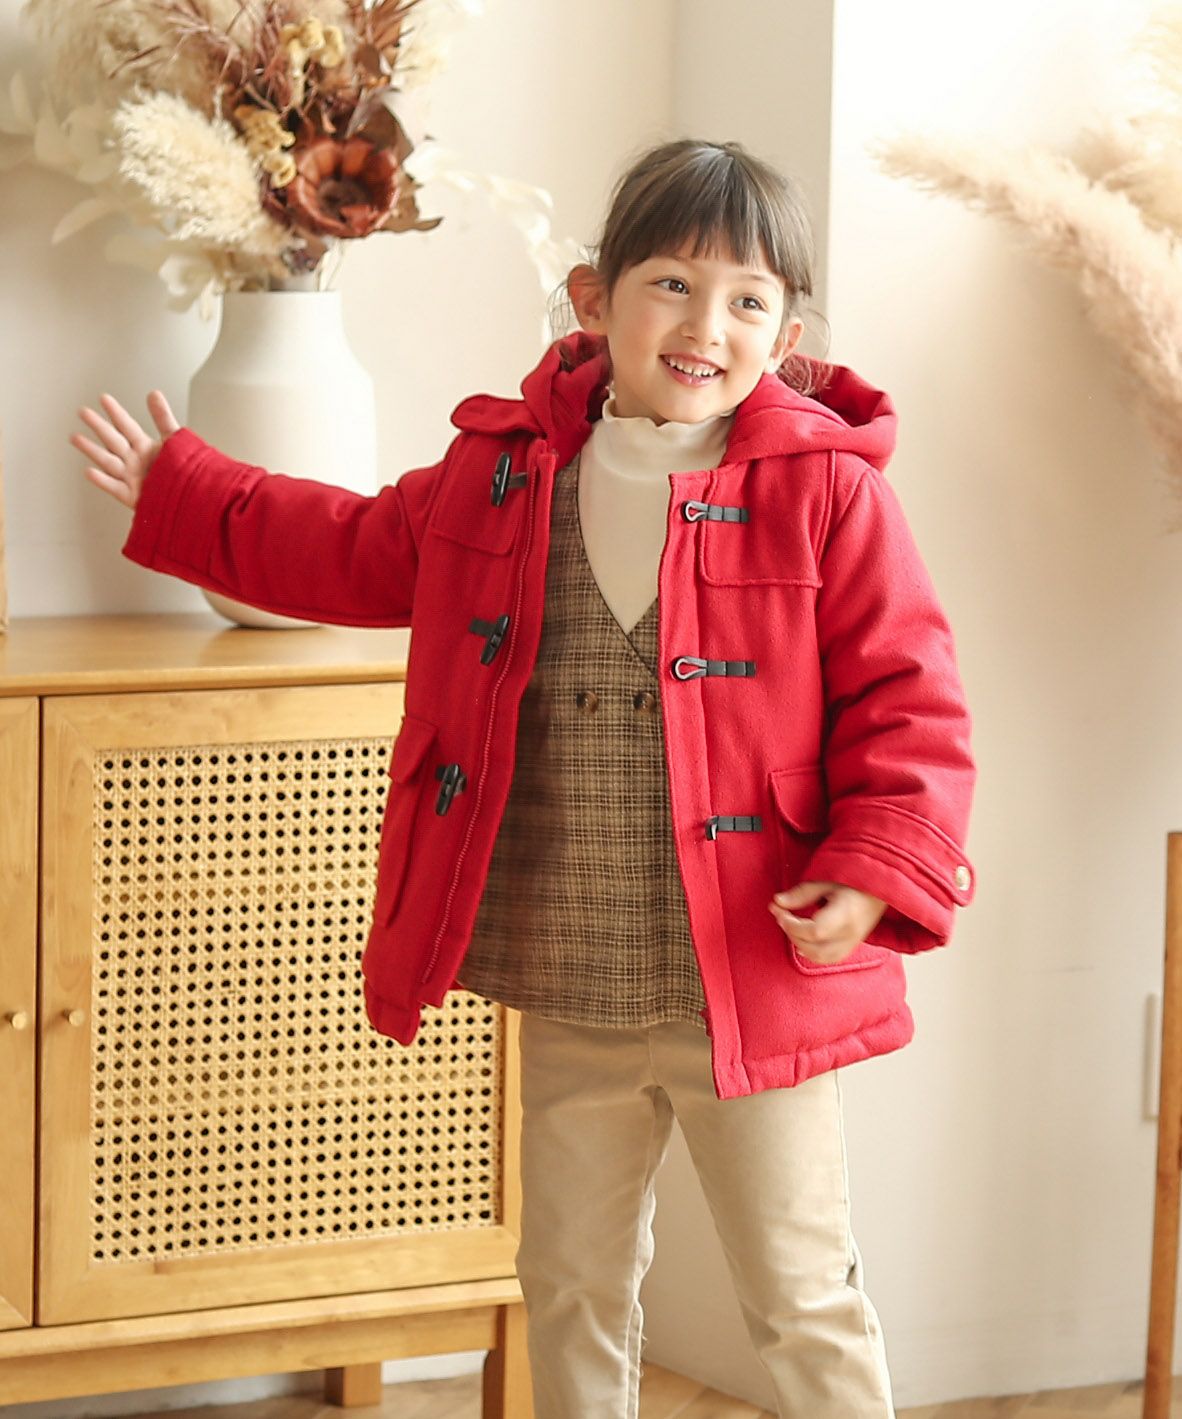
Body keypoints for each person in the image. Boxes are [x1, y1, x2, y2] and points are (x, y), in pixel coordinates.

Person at [70, 137, 976, 1419]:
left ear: (788, 336)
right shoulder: (505, 478)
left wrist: (869, 876)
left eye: (747, 301)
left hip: (754, 972)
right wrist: (189, 492)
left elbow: (910, 703)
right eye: (672, 285)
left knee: (801, 1291)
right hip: (570, 973)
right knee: (568, 1282)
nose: (705, 326)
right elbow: (351, 546)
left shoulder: (829, 497)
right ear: (594, 299)